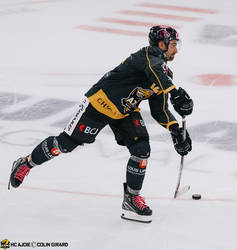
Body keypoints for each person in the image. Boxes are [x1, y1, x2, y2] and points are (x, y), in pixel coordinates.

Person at [8, 25, 193, 223]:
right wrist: (175, 92)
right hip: (99, 104)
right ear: (160, 44)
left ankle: (131, 198)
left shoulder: (166, 76)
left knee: (141, 149)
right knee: (64, 145)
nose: (176, 50)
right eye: (173, 45)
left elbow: (160, 110)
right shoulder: (147, 56)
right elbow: (155, 70)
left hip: (125, 113)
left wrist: (175, 129)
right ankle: (26, 163)